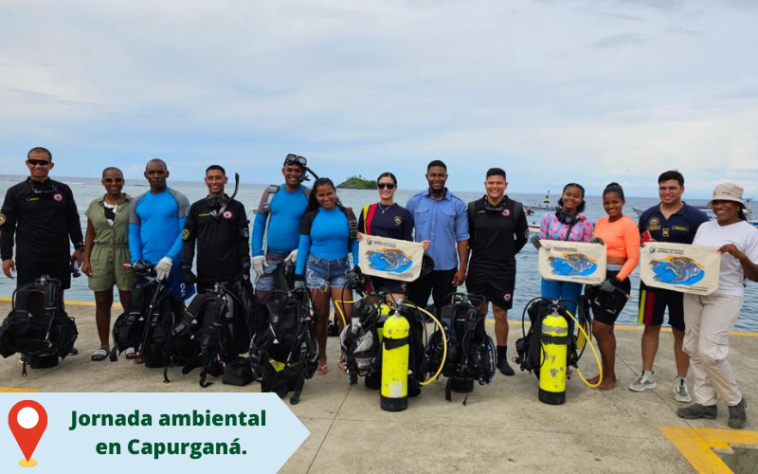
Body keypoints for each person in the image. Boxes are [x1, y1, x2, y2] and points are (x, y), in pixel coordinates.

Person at [676, 183, 758, 429]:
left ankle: (735, 401)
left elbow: (756, 275)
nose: (719, 206)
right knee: (691, 346)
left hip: (725, 295)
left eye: (726, 202)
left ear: (738, 206)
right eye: (716, 202)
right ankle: (706, 403)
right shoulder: (704, 226)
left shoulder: (749, 233)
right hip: (694, 292)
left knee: (711, 352)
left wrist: (740, 256)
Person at [629, 171, 709, 402]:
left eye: (672, 188)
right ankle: (646, 375)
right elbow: (639, 244)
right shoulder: (647, 215)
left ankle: (681, 380)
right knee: (650, 326)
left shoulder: (696, 217)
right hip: (651, 283)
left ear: (682, 189)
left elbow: (705, 251)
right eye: (663, 188)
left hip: (683, 287)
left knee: (681, 332)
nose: (667, 192)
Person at [466, 168, 529, 376]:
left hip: (504, 269)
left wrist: (507, 253)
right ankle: (479, 351)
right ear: (485, 184)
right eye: (491, 182)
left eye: (499, 183)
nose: (495, 186)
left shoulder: (516, 209)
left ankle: (501, 358)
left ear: (506, 185)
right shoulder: (473, 208)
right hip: (478, 267)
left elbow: (522, 238)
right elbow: (467, 240)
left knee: (500, 313)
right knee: (478, 312)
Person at [1, 147, 84, 298]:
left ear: (51, 165)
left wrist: (79, 248)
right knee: (28, 299)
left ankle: (57, 322)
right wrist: (6, 257)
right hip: (29, 256)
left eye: (43, 162)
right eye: (33, 162)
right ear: (27, 163)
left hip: (58, 255)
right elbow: (6, 227)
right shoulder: (15, 192)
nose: (38, 166)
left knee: (56, 299)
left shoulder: (63, 189)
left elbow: (73, 220)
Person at [294, 178, 357, 375]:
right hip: (316, 269)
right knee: (320, 317)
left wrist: (359, 268)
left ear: (335, 192)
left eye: (329, 193)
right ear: (316, 196)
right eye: (321, 195)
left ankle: (344, 355)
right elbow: (303, 248)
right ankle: (321, 356)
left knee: (344, 316)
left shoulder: (348, 214)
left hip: (341, 269)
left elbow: (355, 244)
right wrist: (298, 276)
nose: (326, 198)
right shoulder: (310, 217)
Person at [584, 183, 639, 390]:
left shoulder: (628, 224)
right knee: (607, 330)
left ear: (623, 202)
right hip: (597, 279)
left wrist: (616, 281)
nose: (611, 206)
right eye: (607, 202)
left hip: (616, 282)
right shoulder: (599, 222)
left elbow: (633, 258)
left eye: (615, 202)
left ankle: (609, 378)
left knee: (600, 329)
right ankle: (608, 374)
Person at [129, 158, 195, 331]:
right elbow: (134, 234)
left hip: (173, 265)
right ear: (146, 175)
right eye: (152, 172)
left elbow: (185, 234)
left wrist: (169, 258)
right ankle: (149, 348)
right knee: (148, 308)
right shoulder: (137, 202)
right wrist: (136, 259)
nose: (156, 175)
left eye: (160, 172)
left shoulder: (179, 199)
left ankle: (179, 348)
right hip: (147, 266)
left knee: (177, 306)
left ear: (167, 174)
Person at [81, 167, 135, 361]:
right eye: (109, 180)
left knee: (129, 301)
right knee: (102, 302)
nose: (114, 183)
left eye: (118, 179)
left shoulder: (133, 204)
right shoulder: (95, 205)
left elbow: (139, 231)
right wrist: (86, 259)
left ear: (123, 181)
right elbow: (90, 233)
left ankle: (130, 342)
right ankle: (104, 344)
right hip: (100, 254)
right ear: (103, 182)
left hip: (125, 253)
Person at [406, 160, 469, 317]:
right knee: (415, 313)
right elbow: (405, 235)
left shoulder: (457, 204)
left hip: (447, 270)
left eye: (440, 175)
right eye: (433, 175)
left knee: (447, 316)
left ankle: (443, 342)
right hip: (420, 268)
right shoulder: (414, 202)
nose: (437, 178)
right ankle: (417, 342)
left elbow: (462, 238)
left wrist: (462, 269)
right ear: (427, 176)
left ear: (446, 177)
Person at [355, 172, 424, 302]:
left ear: (395, 188)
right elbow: (360, 237)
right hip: (372, 267)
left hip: (395, 270)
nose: (385, 189)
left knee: (395, 312)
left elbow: (407, 243)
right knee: (373, 313)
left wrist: (420, 247)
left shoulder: (404, 214)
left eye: (389, 185)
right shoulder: (366, 211)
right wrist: (359, 237)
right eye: (381, 185)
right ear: (377, 187)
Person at [182, 165, 250, 293]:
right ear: (205, 180)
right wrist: (186, 267)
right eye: (210, 178)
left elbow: (243, 241)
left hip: (232, 275)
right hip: (205, 274)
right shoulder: (196, 208)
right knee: (205, 311)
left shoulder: (237, 207)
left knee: (234, 312)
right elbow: (188, 241)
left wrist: (246, 267)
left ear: (225, 180)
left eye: (218, 178)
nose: (214, 182)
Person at [252, 154, 311, 299]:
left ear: (303, 173)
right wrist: (256, 253)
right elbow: (259, 222)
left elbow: (315, 227)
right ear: (283, 171)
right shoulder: (271, 192)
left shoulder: (308, 194)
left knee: (296, 300)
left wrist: (302, 249)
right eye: (289, 169)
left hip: (296, 258)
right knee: (262, 297)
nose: (293, 174)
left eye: (297, 170)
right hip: (270, 257)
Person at [531, 183, 594, 316]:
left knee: (569, 311)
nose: (571, 198)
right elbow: (542, 246)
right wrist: (536, 241)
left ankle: (569, 337)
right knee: (548, 308)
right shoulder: (548, 218)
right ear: (562, 195)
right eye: (568, 194)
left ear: (581, 200)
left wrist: (595, 244)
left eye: (576, 196)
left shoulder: (586, 223)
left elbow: (587, 251)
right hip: (551, 270)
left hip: (574, 273)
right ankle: (544, 337)